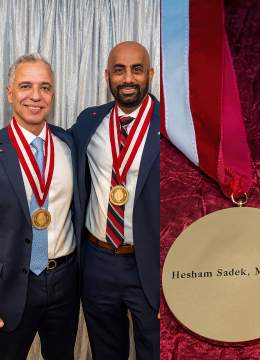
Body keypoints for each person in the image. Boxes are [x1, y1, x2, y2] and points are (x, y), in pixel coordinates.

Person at [70, 41, 159, 359]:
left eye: (137, 69)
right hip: (98, 260)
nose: (128, 78)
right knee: (106, 351)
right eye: (119, 70)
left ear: (150, 73)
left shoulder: (174, 127)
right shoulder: (88, 122)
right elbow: (52, 152)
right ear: (107, 75)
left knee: (155, 349)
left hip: (150, 263)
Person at [0, 54, 81, 359]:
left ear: (53, 94)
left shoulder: (69, 144)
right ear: (10, 93)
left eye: (45, 87)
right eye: (25, 86)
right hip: (9, 287)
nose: (35, 96)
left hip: (64, 281)